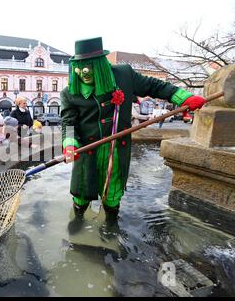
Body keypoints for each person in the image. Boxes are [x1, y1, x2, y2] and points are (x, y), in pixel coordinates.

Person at [61, 37, 206, 219]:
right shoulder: (69, 92)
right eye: (79, 67)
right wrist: (69, 143)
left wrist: (182, 97)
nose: (84, 73)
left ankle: (110, 227)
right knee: (81, 191)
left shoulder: (123, 75)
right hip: (86, 149)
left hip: (115, 148)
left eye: (88, 66)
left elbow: (154, 86)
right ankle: (77, 222)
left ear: (99, 63)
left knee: (112, 193)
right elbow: (68, 122)